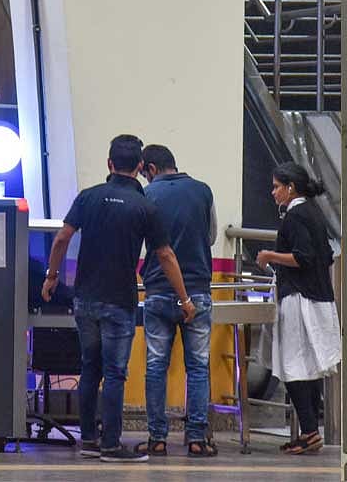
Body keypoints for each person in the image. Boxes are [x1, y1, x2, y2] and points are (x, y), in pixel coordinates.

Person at [41, 134, 195, 463]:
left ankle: (89, 440)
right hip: (119, 303)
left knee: (89, 368)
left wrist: (52, 277)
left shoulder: (88, 197)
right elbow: (166, 255)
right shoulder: (145, 207)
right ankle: (111, 445)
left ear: (109, 164)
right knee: (114, 373)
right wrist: (184, 299)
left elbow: (62, 238)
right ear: (140, 167)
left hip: (84, 299)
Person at [136, 144, 218, 457]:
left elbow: (142, 240)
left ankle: (157, 438)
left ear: (151, 169)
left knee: (156, 366)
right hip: (197, 290)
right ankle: (196, 438)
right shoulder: (203, 190)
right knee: (197, 367)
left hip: (157, 290)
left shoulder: (147, 196)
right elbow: (210, 236)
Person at [256, 162, 342, 454]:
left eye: (277, 186)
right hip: (319, 298)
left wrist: (270, 255)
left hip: (299, 299)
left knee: (292, 366)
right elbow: (326, 256)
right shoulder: (314, 214)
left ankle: (308, 430)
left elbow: (303, 257)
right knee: (309, 367)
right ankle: (310, 432)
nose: (273, 192)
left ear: (290, 187)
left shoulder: (295, 216)